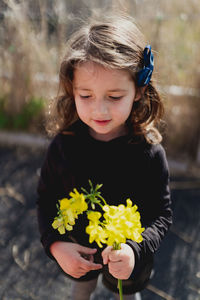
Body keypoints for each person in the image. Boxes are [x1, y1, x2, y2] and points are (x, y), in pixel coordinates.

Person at [36, 13, 172, 300]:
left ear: (138, 91)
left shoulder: (148, 153)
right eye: (86, 95)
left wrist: (135, 251)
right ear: (72, 90)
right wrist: (56, 246)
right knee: (80, 291)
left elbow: (161, 214)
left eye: (114, 97)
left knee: (126, 295)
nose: (99, 111)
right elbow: (46, 201)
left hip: (129, 261)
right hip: (79, 254)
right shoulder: (63, 147)